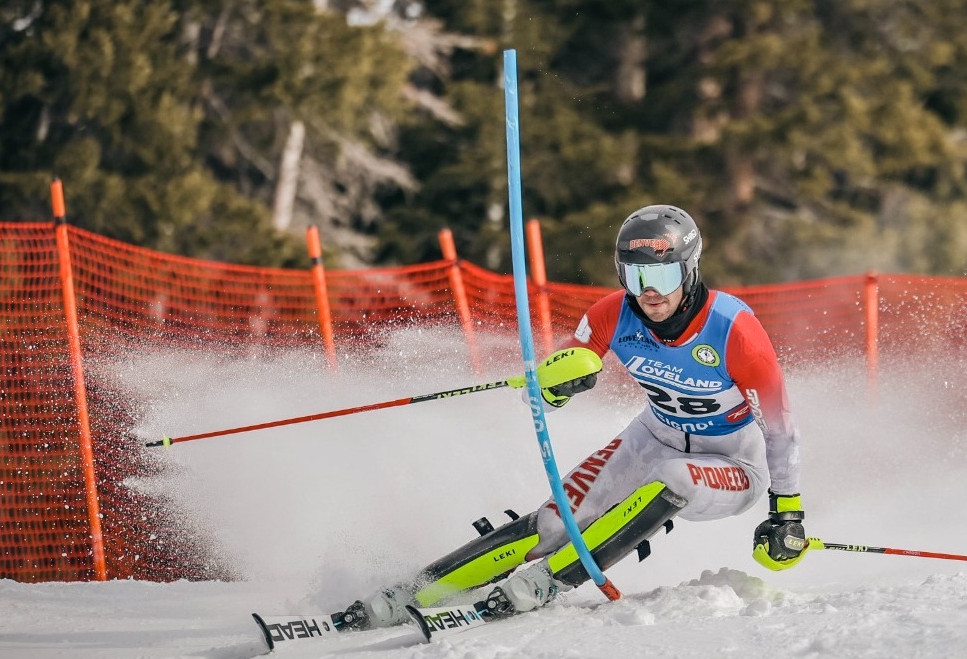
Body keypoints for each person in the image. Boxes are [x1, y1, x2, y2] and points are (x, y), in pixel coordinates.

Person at [339, 204, 808, 630]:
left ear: (690, 270)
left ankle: (549, 581)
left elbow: (781, 427)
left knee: (673, 477)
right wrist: (555, 387)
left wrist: (787, 511)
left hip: (733, 462)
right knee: (554, 521)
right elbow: (544, 392)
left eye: (663, 278)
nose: (649, 293)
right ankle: (416, 591)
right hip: (654, 435)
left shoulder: (733, 329)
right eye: (635, 275)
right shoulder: (611, 314)